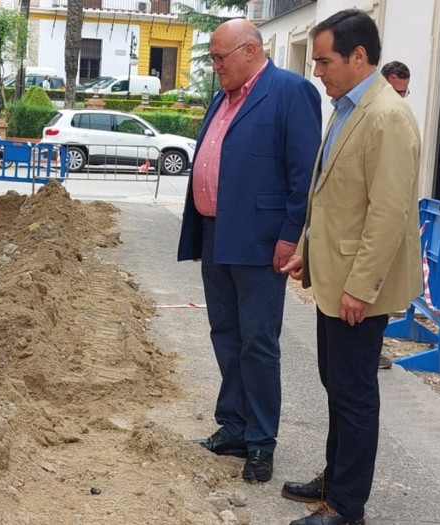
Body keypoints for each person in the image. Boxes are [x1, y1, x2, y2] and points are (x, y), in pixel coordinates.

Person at [279, 9, 421, 525]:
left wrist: (361, 288)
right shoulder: (346, 107)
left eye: (324, 60)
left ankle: (345, 506)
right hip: (335, 278)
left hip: (359, 289)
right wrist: (307, 248)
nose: (317, 70)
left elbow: (387, 213)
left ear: (359, 56)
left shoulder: (386, 115)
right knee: (337, 383)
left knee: (355, 393)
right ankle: (335, 477)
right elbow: (334, 196)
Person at [176, 19, 321, 484]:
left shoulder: (290, 91)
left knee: (258, 343)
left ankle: (261, 441)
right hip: (217, 232)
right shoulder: (223, 95)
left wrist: (289, 235)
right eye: (214, 58)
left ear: (251, 50)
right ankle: (234, 425)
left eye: (221, 58)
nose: (215, 67)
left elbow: (303, 176)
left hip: (260, 240)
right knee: (225, 332)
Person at [374, 59, 413, 371]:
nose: (398, 98)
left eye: (404, 93)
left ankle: (373, 350)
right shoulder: (376, 114)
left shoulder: (398, 118)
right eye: (394, 90)